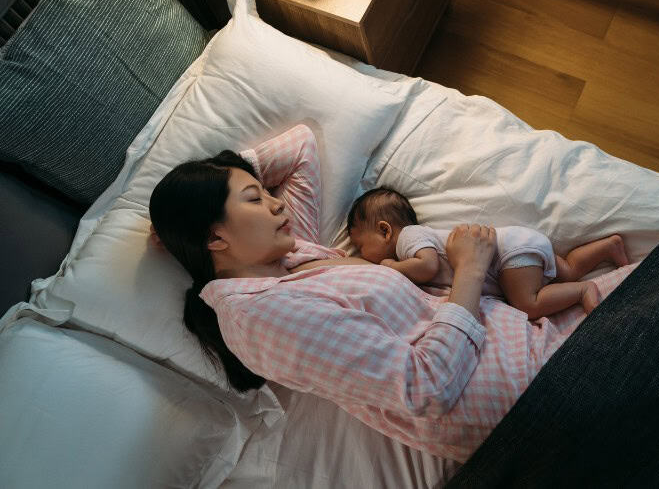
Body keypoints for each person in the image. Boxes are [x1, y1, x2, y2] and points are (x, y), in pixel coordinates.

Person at [148, 124, 634, 462]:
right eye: (256, 198)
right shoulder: (258, 317)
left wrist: (202, 200)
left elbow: (299, 149)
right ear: (216, 238)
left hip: (531, 338)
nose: (277, 204)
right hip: (530, 390)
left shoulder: (292, 256)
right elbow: (425, 389)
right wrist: (469, 269)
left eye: (267, 192)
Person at [347, 188, 629, 320]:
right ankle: (608, 247)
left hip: (509, 255)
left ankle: (582, 291)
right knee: (565, 268)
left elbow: (428, 266)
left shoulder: (408, 238)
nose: (361, 253)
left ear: (385, 230)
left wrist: (390, 267)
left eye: (361, 246)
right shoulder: (411, 242)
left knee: (528, 305)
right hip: (520, 245)